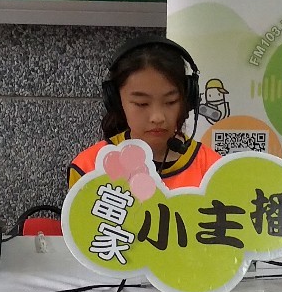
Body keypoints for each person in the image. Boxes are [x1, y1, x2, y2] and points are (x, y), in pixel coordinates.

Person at [69, 37, 221, 189]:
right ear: (116, 101)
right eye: (141, 103)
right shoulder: (88, 168)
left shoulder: (213, 170)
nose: (157, 117)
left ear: (187, 99)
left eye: (171, 102)